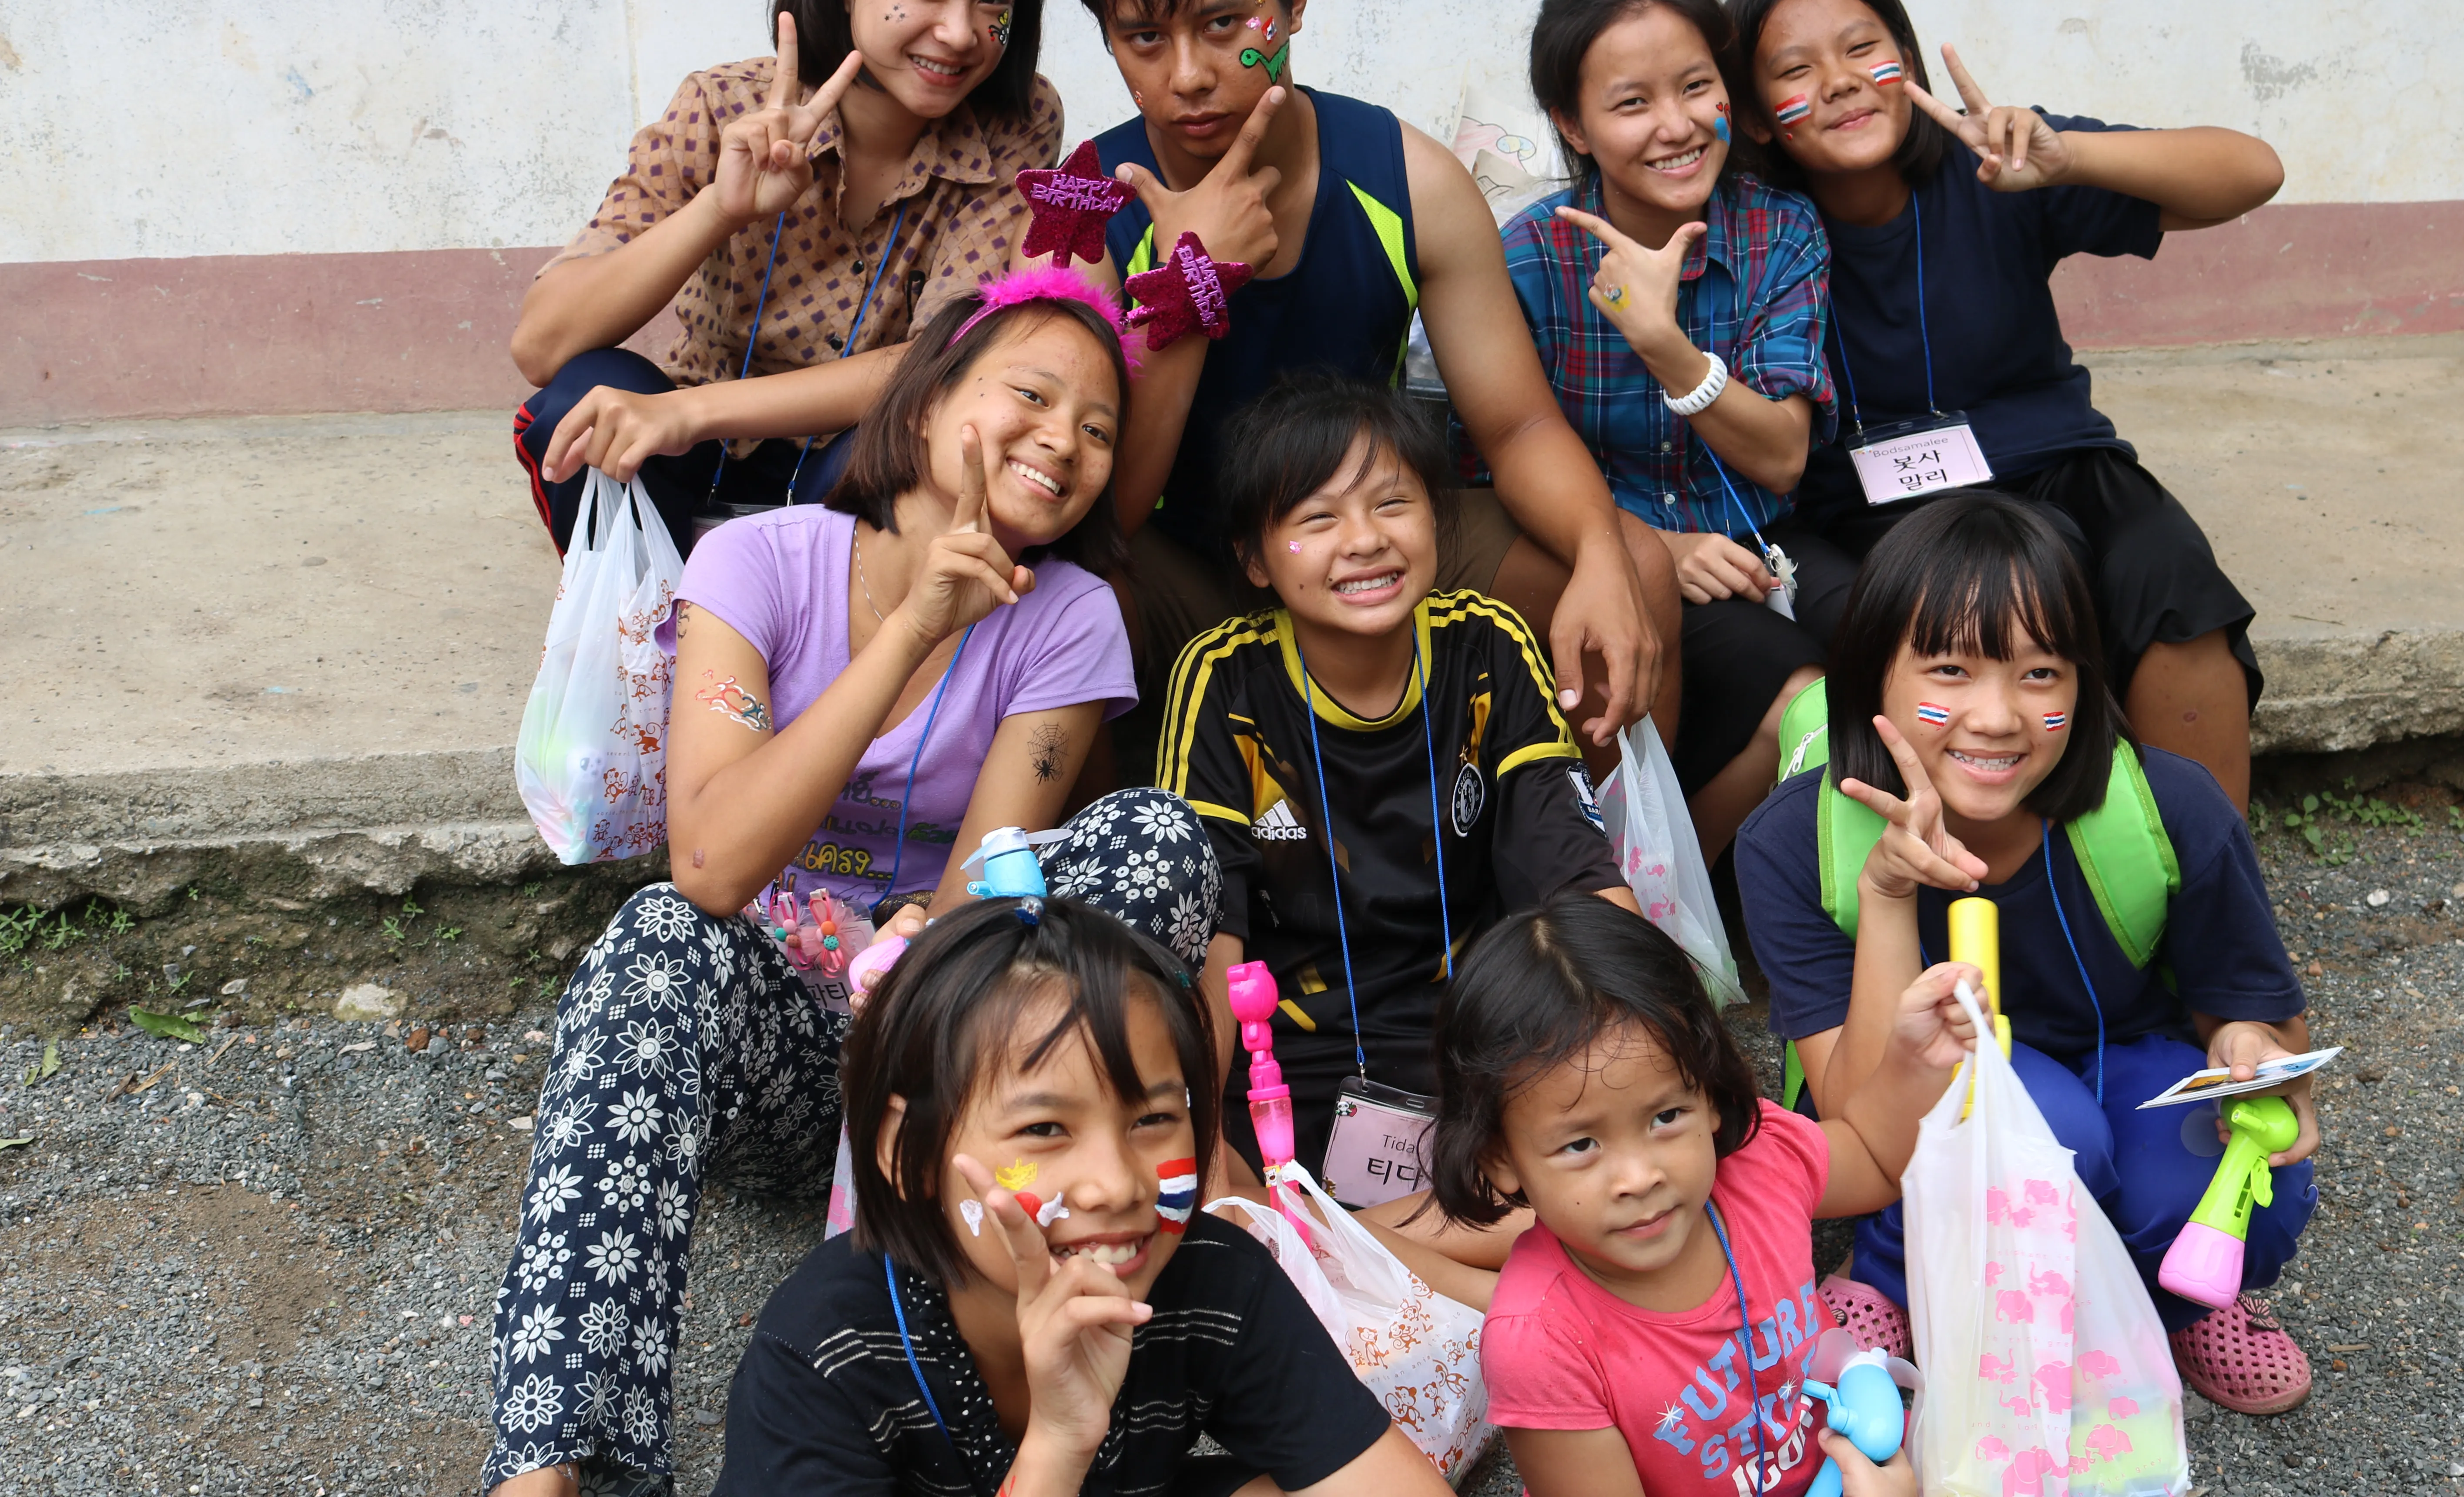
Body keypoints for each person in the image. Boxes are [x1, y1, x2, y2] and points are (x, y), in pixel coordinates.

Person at [481, 278, 1224, 1496]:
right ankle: (559, 1463)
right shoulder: (754, 561)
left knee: (1153, 834)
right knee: (658, 936)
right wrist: (914, 626)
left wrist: (926, 956)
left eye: (1098, 428)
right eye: (1031, 398)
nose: (1065, 442)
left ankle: (1038, 1340)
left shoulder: (1073, 616)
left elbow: (995, 898)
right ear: (925, 401)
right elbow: (713, 864)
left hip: (955, 1082)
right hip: (787, 1045)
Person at [1058, 0, 1673, 752]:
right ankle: (1094, 888)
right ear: (1108, 37)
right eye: (1145, 38)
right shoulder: (1082, 196)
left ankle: (1607, 882)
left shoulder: (1407, 178)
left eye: (1226, 25)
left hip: (1367, 530)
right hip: (1177, 557)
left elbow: (1518, 427)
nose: (1186, 74)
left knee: (1634, 562)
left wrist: (1597, 555)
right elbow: (1108, 505)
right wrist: (1192, 285)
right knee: (1064, 593)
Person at [1734, 492, 2320, 1415]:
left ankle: (2174, 1294)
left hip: (2128, 1058)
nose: (1999, 715)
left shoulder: (2171, 806)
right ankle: (1890, 1271)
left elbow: (2255, 1011)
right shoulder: (1790, 842)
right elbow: (1852, 1110)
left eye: (2041, 672)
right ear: (1870, 675)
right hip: (1912, 1092)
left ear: (2086, 683)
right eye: (1950, 669)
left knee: (2237, 1174)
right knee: (2053, 1147)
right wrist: (1887, 893)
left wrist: (2260, 1058)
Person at [1723, 0, 2285, 811]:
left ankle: (2211, 895)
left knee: (2168, 580)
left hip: (2051, 462)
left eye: (1863, 48)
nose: (1838, 82)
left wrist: (2072, 160)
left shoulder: (1990, 159)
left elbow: (2253, 171)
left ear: (1906, 63)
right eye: (1795, 70)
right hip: (1856, 508)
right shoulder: (1749, 230)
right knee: (1940, 633)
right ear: (1759, 117)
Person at [714, 894, 1452, 1496]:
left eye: (1155, 1119)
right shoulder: (824, 1352)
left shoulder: (1212, 1286)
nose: (1116, 1184)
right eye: (1043, 1129)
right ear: (908, 1152)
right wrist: (1060, 1443)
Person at [1156, 376, 1635, 1240]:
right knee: (1229, 1217)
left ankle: (1364, 1247)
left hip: (1480, 1032)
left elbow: (1573, 865)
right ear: (1257, 558)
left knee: (1599, 1181)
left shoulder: (1485, 645)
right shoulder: (1226, 678)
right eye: (1318, 518)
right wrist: (1194, 1138)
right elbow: (1207, 926)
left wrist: (1654, 1053)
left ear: (1436, 517)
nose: (1366, 540)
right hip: (1288, 1053)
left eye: (1392, 503)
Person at [509, 0, 1064, 556]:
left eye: (994, 2)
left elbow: (945, 361)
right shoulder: (720, 107)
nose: (961, 33)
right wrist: (721, 209)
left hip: (850, 459)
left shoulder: (1015, 124)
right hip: (693, 460)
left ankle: (837, 650)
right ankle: (645, 641)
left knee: (934, 446)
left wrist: (690, 413)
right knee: (584, 399)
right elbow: (542, 344)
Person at [1429, 896, 1979, 1497]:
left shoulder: (1755, 1165)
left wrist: (1916, 1062)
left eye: (1666, 1115)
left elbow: (1874, 1159)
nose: (1639, 1177)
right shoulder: (1542, 1346)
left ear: (1710, 1094)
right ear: (1500, 1158)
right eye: (1581, 1144)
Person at [1493, 0, 1840, 851]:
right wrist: (1657, 545)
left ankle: (1700, 906)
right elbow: (1485, 467)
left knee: (1875, 673)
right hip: (1610, 562)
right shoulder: (1528, 261)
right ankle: (1656, 907)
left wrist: (1663, 343)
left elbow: (1782, 456)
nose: (1678, 126)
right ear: (1573, 122)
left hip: (1767, 554)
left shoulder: (1779, 229)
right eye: (1633, 102)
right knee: (1802, 695)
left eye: (1697, 87)